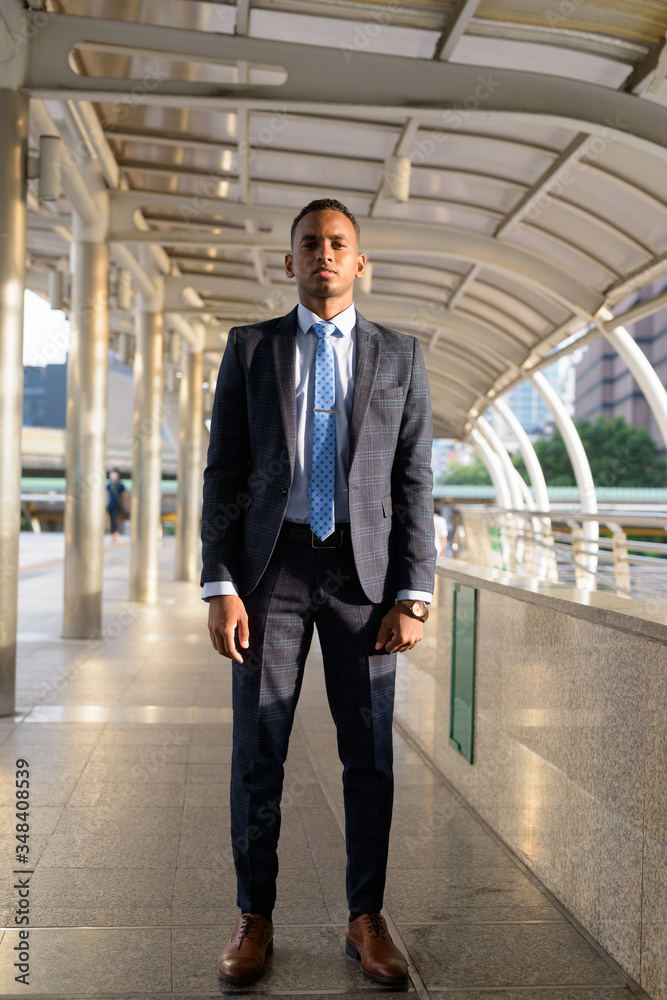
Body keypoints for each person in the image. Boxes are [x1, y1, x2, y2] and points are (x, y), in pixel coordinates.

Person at [201, 198, 435, 985]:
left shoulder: (399, 355)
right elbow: (222, 470)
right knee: (256, 750)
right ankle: (252, 916)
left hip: (364, 583)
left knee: (367, 756)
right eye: (310, 244)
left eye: (338, 244)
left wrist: (414, 592)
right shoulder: (251, 349)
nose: (324, 255)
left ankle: (365, 918)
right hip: (271, 573)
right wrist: (220, 582)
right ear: (290, 261)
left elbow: (412, 479)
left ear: (359, 261)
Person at [106, 468, 127, 543]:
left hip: (117, 506)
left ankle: (116, 535)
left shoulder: (120, 485)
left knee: (115, 520)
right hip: (110, 505)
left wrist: (129, 505)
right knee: (111, 520)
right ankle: (113, 534)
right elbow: (106, 494)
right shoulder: (109, 485)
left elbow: (125, 495)